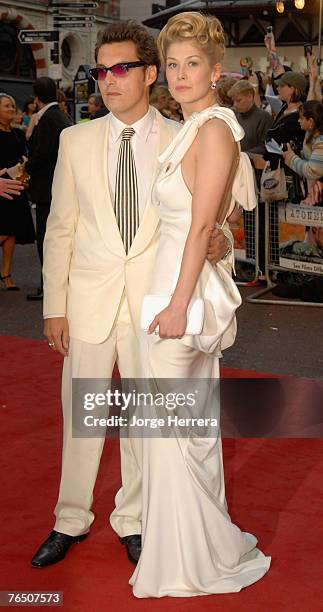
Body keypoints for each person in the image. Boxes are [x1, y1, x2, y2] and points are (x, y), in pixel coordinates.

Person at [31, 20, 230, 569]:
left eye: (122, 69)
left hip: (154, 306)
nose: (109, 81)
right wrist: (55, 305)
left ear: (148, 75)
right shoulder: (75, 139)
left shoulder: (183, 134)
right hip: (89, 303)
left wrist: (220, 241)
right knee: (84, 417)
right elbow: (60, 229)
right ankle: (69, 520)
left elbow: (217, 216)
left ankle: (134, 520)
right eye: (101, 71)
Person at [127, 11, 271, 598]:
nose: (181, 75)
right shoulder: (193, 127)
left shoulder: (212, 129)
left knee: (169, 436)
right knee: (185, 431)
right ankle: (201, 546)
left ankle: (186, 562)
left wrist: (178, 303)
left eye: (194, 65)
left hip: (177, 296)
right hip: (170, 288)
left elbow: (202, 227)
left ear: (217, 70)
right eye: (173, 65)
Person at [25, 77, 73, 301]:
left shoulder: (47, 120)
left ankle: (49, 287)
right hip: (59, 187)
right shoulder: (62, 116)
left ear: (36, 98)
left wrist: (26, 166)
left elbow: (40, 155)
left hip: (47, 189)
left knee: (47, 238)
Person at [0, 93, 35, 290]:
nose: (11, 109)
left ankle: (6, 274)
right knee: (3, 231)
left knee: (11, 232)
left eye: (13, 106)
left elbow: (25, 156)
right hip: (0, 188)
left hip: (16, 187)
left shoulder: (18, 133)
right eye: (6, 106)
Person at [283, 100, 323, 187]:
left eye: (301, 118)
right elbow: (310, 156)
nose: (298, 120)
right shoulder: (310, 133)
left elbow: (312, 171)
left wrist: (291, 158)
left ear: (311, 121)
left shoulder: (321, 143)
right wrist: (295, 152)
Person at [229, 79, 272, 155]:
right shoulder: (233, 115)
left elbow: (266, 147)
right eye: (234, 101)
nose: (235, 104)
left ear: (250, 96)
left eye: (238, 100)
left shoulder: (263, 117)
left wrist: (243, 155)